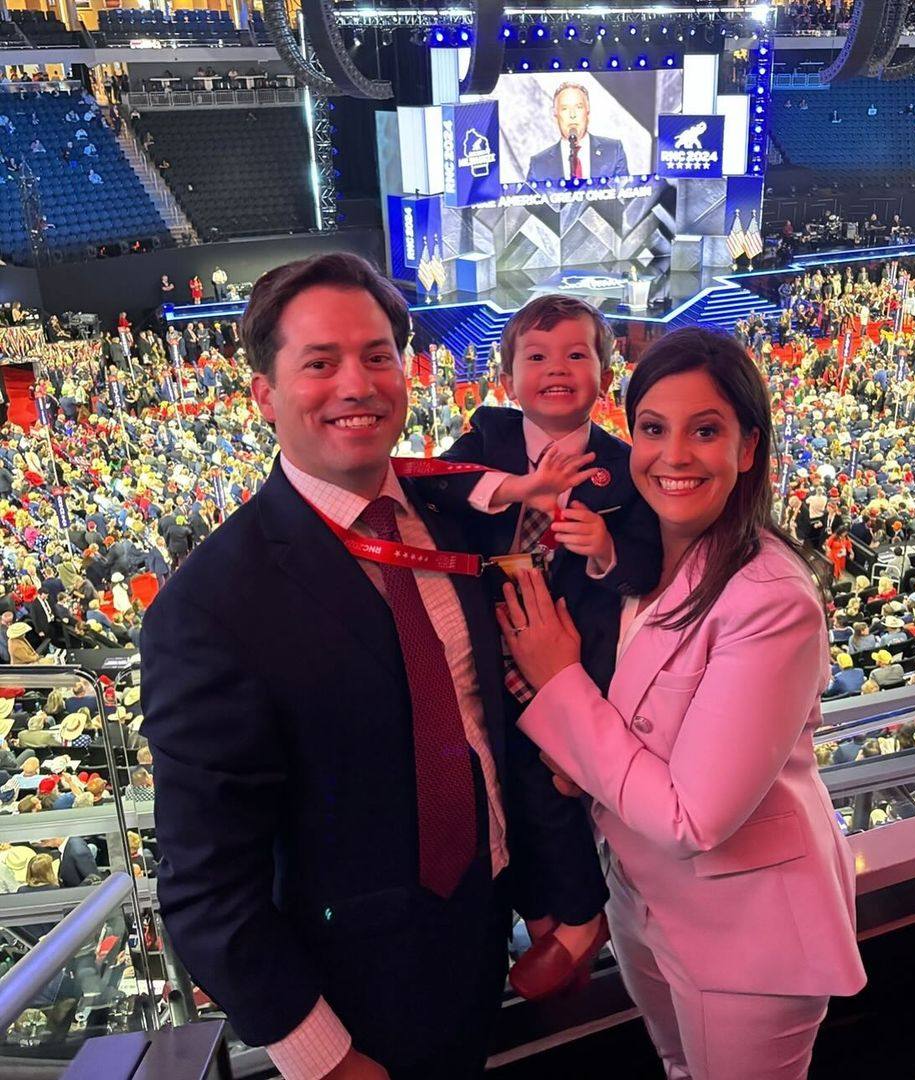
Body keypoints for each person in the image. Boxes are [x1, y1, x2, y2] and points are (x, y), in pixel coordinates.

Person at [141, 252, 598, 1080]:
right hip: (349, 990)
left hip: (484, 929)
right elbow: (207, 885)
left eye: (377, 355)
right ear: (263, 394)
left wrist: (558, 894)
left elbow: (483, 733)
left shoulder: (457, 521)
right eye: (320, 363)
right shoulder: (208, 607)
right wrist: (320, 1055)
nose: (356, 384)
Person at [500, 328, 866, 1079]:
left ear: (749, 448)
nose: (673, 456)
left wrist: (558, 678)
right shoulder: (645, 556)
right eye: (653, 429)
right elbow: (641, 729)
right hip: (645, 903)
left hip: (749, 935)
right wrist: (579, 761)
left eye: (706, 431)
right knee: (676, 1066)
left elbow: (691, 815)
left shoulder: (771, 598)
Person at [423, 294, 661, 997]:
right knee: (505, 790)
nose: (556, 368)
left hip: (579, 671)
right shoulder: (486, 444)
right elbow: (425, 488)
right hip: (493, 666)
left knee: (553, 784)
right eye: (536, 356)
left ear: (604, 375)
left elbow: (650, 559)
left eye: (576, 354)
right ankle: (549, 913)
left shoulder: (624, 467)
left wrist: (608, 550)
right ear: (506, 378)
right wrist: (514, 489)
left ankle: (581, 918)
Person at [526, 82, 629, 183]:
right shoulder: (538, 164)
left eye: (578, 107)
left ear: (587, 111)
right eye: (565, 109)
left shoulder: (613, 151)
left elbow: (626, 198)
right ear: (555, 115)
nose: (572, 115)